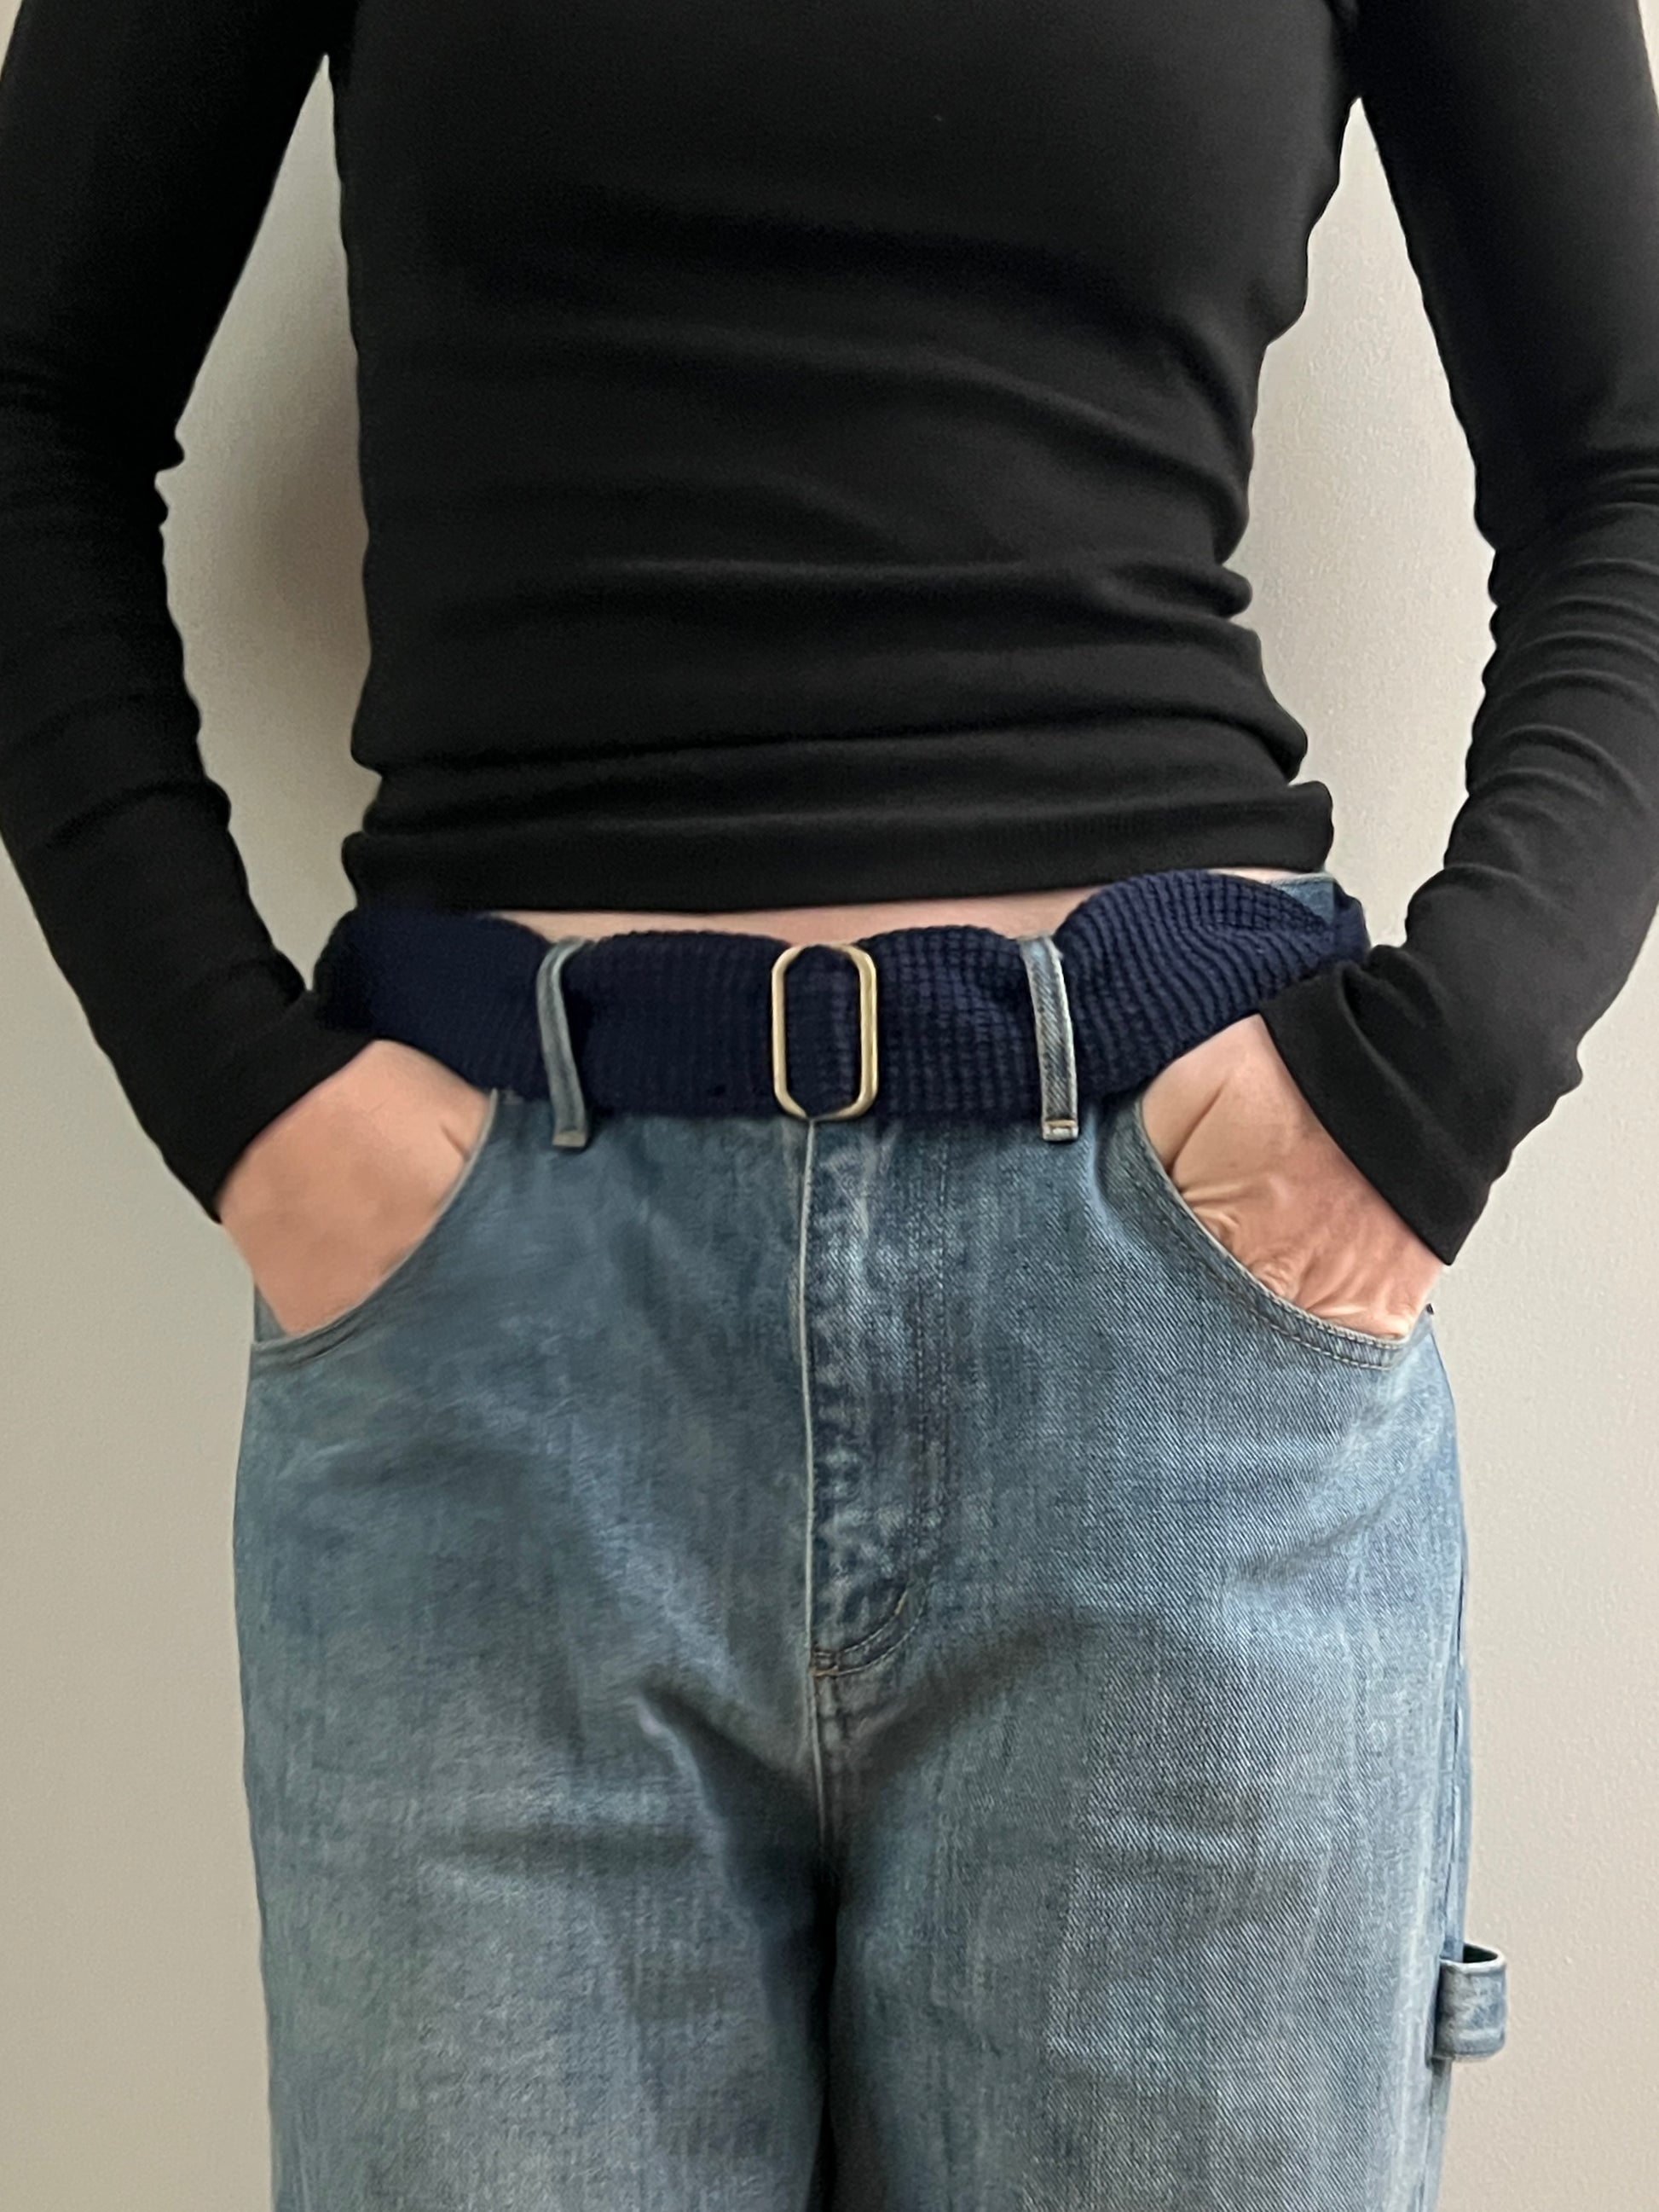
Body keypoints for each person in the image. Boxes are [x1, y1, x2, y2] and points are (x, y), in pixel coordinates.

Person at [10, 0, 1658, 2198]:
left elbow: (1627, 467)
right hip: (489, 1367)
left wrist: (1425, 1096)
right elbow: (26, 409)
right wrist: (242, 1103)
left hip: (1175, 1348)